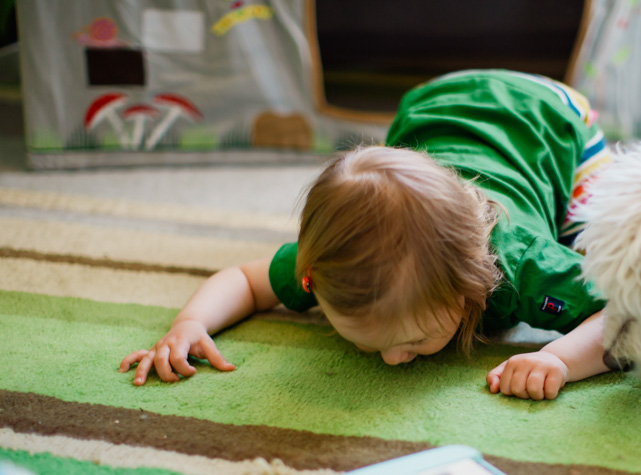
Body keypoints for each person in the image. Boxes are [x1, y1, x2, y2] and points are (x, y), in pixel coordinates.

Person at [120, 70, 615, 400]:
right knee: (387, 190)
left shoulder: (522, 263)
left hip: (549, 114)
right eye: (363, 341)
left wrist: (560, 358)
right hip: (432, 100)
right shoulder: (339, 263)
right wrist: (190, 323)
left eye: (417, 339)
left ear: (472, 284)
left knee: (603, 235)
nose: (394, 361)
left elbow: (626, 315)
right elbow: (246, 281)